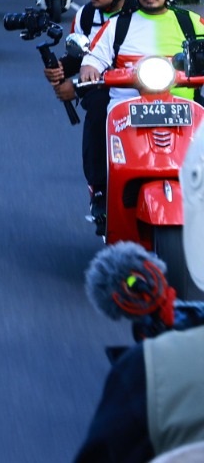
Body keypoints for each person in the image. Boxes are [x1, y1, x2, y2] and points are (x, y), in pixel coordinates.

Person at [74, 137, 204, 462]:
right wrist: (74, 82)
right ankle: (99, 189)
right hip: (118, 98)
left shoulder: (153, 370)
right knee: (95, 108)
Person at [45, 0, 137, 221]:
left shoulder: (143, 15)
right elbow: (77, 58)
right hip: (105, 91)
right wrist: (59, 71)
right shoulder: (85, 16)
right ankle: (99, 189)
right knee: (97, 108)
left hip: (149, 91)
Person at [79, 0, 204, 102]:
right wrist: (89, 68)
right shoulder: (117, 24)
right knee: (95, 114)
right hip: (125, 115)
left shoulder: (191, 22)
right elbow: (94, 58)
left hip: (187, 113)